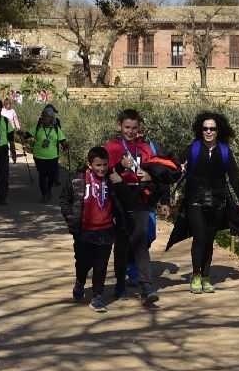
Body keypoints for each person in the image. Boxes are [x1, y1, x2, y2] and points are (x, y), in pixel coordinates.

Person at [168, 111, 239, 294]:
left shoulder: (224, 151)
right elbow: (175, 171)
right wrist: (178, 169)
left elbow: (235, 178)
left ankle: (206, 277)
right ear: (201, 130)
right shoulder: (193, 149)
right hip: (195, 201)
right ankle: (196, 275)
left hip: (218, 201)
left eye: (212, 129)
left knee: (209, 240)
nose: (208, 132)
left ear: (218, 131)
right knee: (200, 237)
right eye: (205, 128)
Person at [105, 109, 167, 305]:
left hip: (141, 198)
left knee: (140, 243)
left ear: (139, 127)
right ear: (119, 126)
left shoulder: (146, 149)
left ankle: (146, 288)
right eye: (126, 127)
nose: (130, 131)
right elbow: (101, 172)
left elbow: (158, 173)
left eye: (134, 128)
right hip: (119, 199)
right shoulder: (112, 147)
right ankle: (120, 285)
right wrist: (120, 167)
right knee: (122, 243)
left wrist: (150, 177)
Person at [61, 147, 124, 312]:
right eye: (98, 165)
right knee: (83, 263)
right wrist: (70, 217)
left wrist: (121, 182)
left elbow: (123, 200)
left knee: (101, 266)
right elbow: (65, 199)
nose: (102, 169)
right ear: (90, 165)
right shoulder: (77, 180)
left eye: (104, 165)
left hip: (106, 231)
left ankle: (97, 296)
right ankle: (80, 281)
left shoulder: (112, 180)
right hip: (84, 231)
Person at [31, 104, 67, 201]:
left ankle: (48, 189)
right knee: (42, 176)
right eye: (43, 116)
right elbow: (28, 134)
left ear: (51, 118)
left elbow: (62, 139)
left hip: (52, 157)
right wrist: (22, 133)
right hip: (39, 156)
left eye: (46, 116)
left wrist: (66, 145)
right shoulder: (38, 126)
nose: (44, 118)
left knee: (52, 176)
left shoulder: (56, 128)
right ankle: (44, 194)